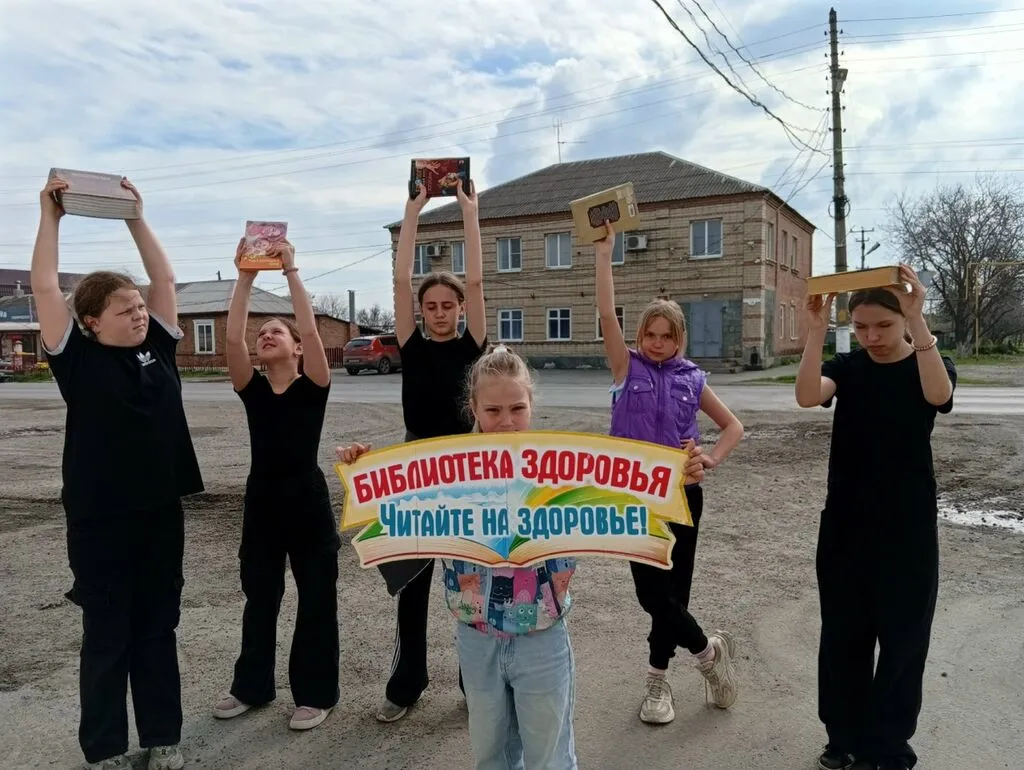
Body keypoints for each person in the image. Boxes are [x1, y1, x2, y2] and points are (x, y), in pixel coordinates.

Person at [340, 345, 701, 768]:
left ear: (531, 405)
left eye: (517, 408)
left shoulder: (566, 469)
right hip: (476, 639)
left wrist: (675, 479)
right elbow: (390, 507)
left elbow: (629, 495)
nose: (506, 421)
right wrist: (359, 469)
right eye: (492, 410)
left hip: (541, 638)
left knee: (550, 758)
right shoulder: (443, 471)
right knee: (491, 755)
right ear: (473, 407)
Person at [31, 177, 204, 770]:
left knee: (158, 627)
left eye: (139, 307)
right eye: (124, 310)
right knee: (108, 635)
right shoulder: (75, 359)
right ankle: (105, 750)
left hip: (160, 511)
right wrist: (51, 216)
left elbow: (164, 281)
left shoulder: (158, 345)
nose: (138, 314)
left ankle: (162, 738)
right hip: (100, 519)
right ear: (91, 321)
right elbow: (45, 286)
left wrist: (134, 216)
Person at [795, 267, 957, 770]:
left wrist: (919, 320)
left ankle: (887, 745)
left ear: (903, 321)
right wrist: (816, 331)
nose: (872, 337)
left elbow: (939, 397)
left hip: (908, 529)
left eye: (883, 326)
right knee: (843, 637)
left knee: (904, 640)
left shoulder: (931, 364)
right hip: (845, 526)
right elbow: (807, 395)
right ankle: (842, 737)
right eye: (861, 327)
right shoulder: (848, 368)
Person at [594, 221, 744, 724]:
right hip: (633, 498)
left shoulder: (692, 378)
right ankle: (709, 653)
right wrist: (605, 252)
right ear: (640, 336)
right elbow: (605, 313)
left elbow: (733, 427)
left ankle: (657, 683)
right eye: (650, 335)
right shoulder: (626, 368)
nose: (657, 344)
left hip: (683, 495)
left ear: (680, 339)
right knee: (650, 593)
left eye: (667, 336)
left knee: (674, 594)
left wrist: (710, 458)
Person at [368, 178, 487, 722]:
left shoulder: (472, 346)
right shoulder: (411, 346)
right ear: (420, 311)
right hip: (416, 468)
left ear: (461, 308)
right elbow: (400, 279)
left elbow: (478, 279)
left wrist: (470, 213)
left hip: (467, 469)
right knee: (412, 585)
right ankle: (406, 683)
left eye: (448, 305)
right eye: (430, 306)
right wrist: (411, 211)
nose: (439, 312)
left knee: (470, 582)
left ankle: (475, 682)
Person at [212, 238, 340, 731]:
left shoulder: (314, 385)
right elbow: (232, 342)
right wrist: (244, 276)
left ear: (298, 347)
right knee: (260, 597)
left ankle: (316, 694)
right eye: (262, 332)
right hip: (262, 502)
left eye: (276, 331)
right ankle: (252, 687)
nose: (266, 335)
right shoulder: (252, 389)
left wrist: (290, 271)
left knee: (317, 599)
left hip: (307, 500)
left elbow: (309, 325)